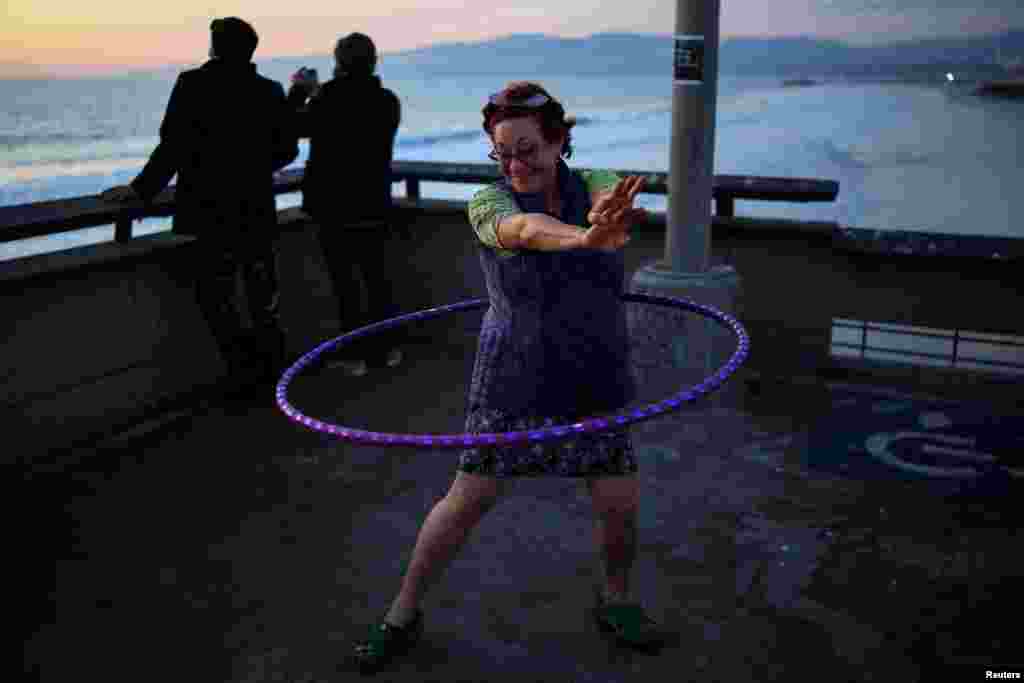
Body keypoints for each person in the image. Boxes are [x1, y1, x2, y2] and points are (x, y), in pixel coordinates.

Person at [350, 81, 660, 674]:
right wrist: (586, 238)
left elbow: (600, 198)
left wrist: (600, 218)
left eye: (528, 150)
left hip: (595, 371)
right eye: (503, 152)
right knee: (467, 499)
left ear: (560, 142)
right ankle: (402, 614)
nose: (515, 164)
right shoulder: (487, 203)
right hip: (515, 374)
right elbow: (526, 231)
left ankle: (616, 600)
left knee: (618, 501)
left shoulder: (599, 183)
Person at [100, 17, 299, 393]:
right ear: (250, 50)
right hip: (254, 211)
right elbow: (286, 149)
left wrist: (140, 190)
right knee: (263, 301)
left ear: (214, 46)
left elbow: (172, 146)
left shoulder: (192, 84)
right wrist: (253, 169)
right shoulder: (269, 91)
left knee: (217, 299)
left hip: (207, 212)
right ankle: (273, 380)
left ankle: (243, 377)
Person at [287, 32, 405, 377]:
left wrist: (301, 91)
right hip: (373, 201)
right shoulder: (387, 101)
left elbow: (291, 126)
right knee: (377, 279)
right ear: (373, 61)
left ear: (338, 62)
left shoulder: (325, 100)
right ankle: (385, 350)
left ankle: (353, 356)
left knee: (346, 284)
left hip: (332, 205)